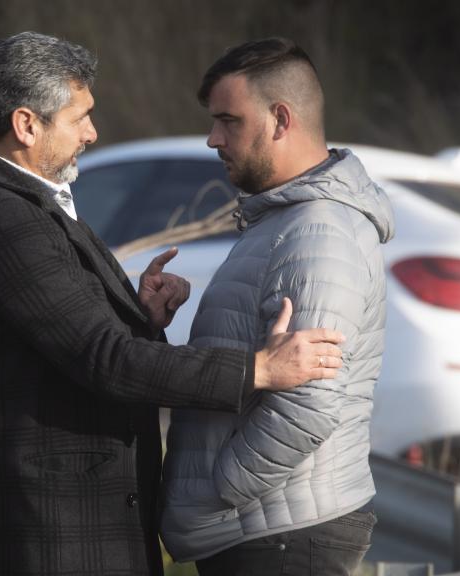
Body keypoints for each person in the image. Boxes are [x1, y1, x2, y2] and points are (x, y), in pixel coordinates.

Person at [0, 32, 348, 576]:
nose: (92, 133)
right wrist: (258, 369)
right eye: (79, 117)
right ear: (27, 125)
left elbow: (65, 342)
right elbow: (104, 359)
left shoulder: (18, 200)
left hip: (58, 529)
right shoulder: (2, 216)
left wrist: (140, 317)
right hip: (41, 538)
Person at [160, 37, 395, 576]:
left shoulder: (317, 232)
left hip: (280, 535)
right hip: (270, 530)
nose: (213, 138)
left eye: (228, 120)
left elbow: (309, 403)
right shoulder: (285, 222)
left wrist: (225, 487)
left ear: (281, 119)